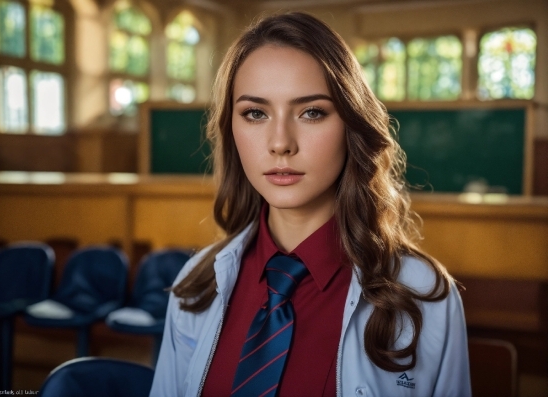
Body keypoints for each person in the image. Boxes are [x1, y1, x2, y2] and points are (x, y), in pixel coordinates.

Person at [150, 12, 470, 397]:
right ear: (230, 130)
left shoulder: (423, 296)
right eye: (255, 113)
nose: (280, 142)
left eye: (311, 112)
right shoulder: (195, 286)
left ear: (352, 124)